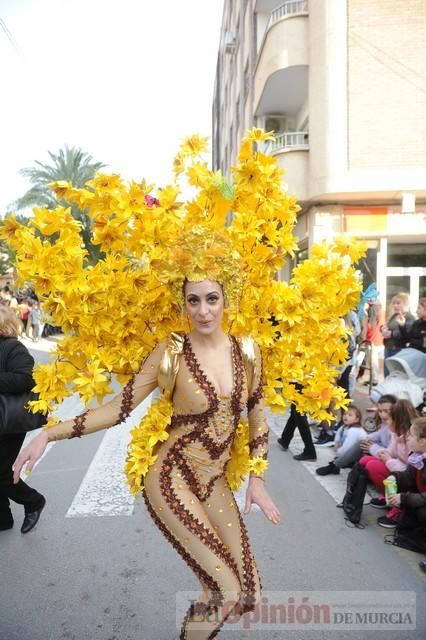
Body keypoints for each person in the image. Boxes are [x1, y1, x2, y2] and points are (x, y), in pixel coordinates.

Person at [14, 278, 281, 639]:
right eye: (194, 300)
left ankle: (205, 605)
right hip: (171, 477)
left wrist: (258, 480)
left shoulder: (248, 351)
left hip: (214, 479)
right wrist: (49, 432)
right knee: (225, 591)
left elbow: (258, 415)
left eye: (212, 299)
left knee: (246, 594)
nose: (203, 310)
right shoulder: (169, 353)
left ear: (225, 299)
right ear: (183, 304)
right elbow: (115, 409)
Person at [0, 307, 46, 534]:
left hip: (8, 422)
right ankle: (3, 519)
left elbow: (25, 379)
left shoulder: (13, 348)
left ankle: (33, 501)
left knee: (1, 472)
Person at [360, 399, 418, 528]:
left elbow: (411, 470)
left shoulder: (412, 439)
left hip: (409, 480)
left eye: (389, 418)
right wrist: (383, 454)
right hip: (397, 469)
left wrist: (388, 460)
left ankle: (398, 507)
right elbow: (390, 451)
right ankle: (387, 497)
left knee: (373, 466)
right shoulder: (397, 433)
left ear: (398, 420)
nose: (386, 420)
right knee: (366, 460)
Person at [386, 417, 426, 529]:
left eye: (411, 435)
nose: (407, 438)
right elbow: (408, 476)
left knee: (423, 512)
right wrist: (394, 477)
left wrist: (404, 498)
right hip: (421, 496)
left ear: (422, 442)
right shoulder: (418, 457)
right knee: (398, 483)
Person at [315, 405, 367, 475]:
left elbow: (348, 446)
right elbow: (338, 434)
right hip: (350, 452)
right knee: (341, 453)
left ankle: (335, 465)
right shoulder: (345, 427)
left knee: (342, 455)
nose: (346, 416)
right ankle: (337, 464)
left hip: (360, 456)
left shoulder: (354, 431)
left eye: (350, 415)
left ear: (356, 419)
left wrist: (339, 452)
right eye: (345, 414)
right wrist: (336, 443)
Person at [277, 383, 317, 461]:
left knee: (299, 415)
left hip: (304, 380)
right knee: (295, 411)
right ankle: (285, 439)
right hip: (298, 380)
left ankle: (310, 451)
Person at [380, 293, 415, 376]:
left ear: (406, 303)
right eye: (394, 303)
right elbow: (388, 326)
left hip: (399, 350)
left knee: (396, 375)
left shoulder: (410, 317)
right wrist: (383, 328)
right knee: (387, 375)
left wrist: (391, 334)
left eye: (398, 303)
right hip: (388, 349)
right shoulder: (395, 316)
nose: (395, 305)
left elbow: (407, 333)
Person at [358, 394, 397, 458]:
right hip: (381, 449)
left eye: (386, 411)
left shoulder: (395, 428)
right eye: (380, 411)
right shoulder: (384, 423)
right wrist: (367, 438)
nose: (382, 414)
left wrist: (372, 448)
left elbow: (392, 454)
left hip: (389, 459)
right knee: (361, 442)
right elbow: (380, 434)